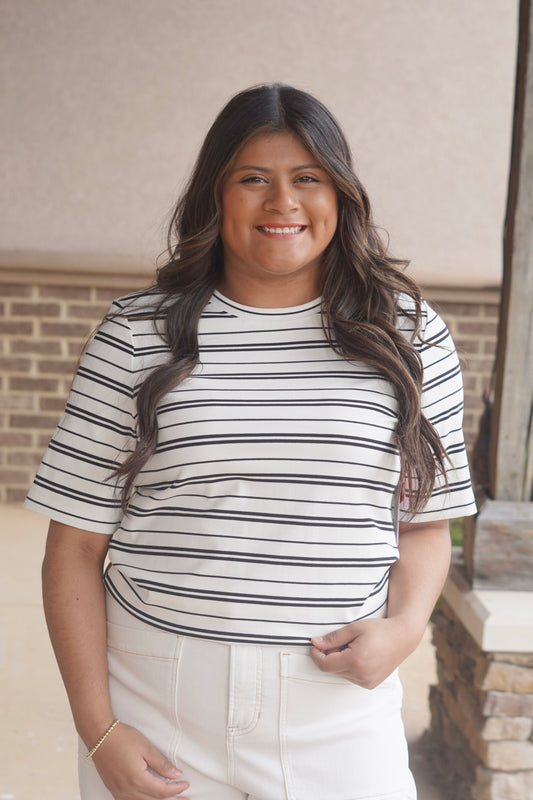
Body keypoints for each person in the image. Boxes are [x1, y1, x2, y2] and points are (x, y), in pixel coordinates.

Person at [25, 83, 477, 800]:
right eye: (252, 180)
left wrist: (405, 628)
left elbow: (425, 522)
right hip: (158, 694)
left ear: (340, 195)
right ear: (215, 195)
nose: (282, 203)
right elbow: (72, 549)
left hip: (335, 710)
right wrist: (99, 727)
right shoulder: (139, 334)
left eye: (307, 179)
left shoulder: (408, 335)